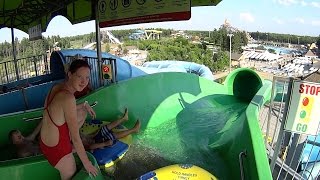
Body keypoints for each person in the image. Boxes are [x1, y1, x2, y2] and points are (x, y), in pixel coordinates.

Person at [39, 59, 98, 180]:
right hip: (58, 151)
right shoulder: (68, 97)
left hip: (45, 142)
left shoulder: (56, 87)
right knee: (71, 173)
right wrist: (87, 164)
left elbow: (58, 109)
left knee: (82, 112)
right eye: (79, 76)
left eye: (87, 77)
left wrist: (84, 104)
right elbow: (76, 138)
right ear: (70, 74)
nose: (84, 82)